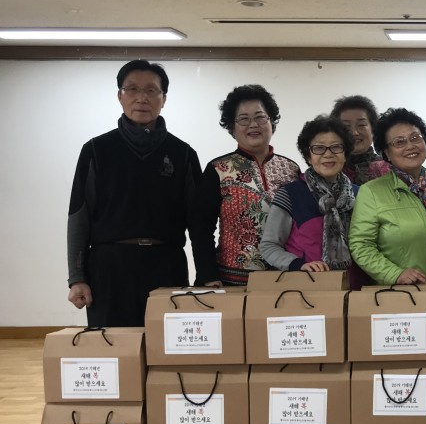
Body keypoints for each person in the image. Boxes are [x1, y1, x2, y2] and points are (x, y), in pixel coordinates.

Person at [67, 60, 201, 326]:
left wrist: (205, 276)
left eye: (151, 90)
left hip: (167, 266)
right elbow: (79, 216)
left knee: (168, 345)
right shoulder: (96, 150)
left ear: (164, 99)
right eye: (132, 89)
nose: (141, 98)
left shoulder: (183, 153)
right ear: (120, 96)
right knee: (113, 346)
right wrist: (77, 278)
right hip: (109, 268)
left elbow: (198, 223)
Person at [192, 84, 300, 286]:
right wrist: (208, 276)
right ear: (232, 127)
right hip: (232, 281)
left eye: (260, 117)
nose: (253, 125)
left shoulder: (291, 169)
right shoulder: (218, 169)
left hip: (285, 279)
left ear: (271, 122)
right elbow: (201, 229)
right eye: (243, 119)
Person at [348, 108, 426, 284]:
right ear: (386, 153)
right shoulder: (371, 192)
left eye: (415, 138)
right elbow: (361, 245)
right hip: (403, 294)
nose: (410, 146)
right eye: (399, 142)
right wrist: (394, 274)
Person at [260, 115, 365, 288]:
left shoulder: (360, 195)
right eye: (319, 148)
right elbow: (269, 246)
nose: (328, 154)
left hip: (355, 289)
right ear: (308, 156)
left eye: (336, 147)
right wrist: (297, 265)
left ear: (345, 153)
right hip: (307, 289)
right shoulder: (290, 194)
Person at [332, 94, 390, 185]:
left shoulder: (389, 169)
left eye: (361, 125)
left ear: (373, 128)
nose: (354, 133)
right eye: (346, 127)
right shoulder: (329, 168)